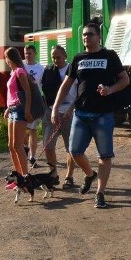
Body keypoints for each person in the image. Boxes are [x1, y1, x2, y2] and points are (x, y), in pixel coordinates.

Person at [52, 22, 129, 209]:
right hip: (81, 113)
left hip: (103, 115)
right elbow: (66, 85)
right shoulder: (79, 58)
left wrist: (110, 89)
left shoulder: (109, 56)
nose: (86, 37)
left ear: (99, 37)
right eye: (84, 34)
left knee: (105, 154)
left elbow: (125, 80)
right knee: (74, 151)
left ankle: (100, 193)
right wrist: (55, 107)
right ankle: (89, 174)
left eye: (90, 34)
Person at [40, 45, 77, 188]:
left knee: (71, 148)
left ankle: (69, 177)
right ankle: (53, 174)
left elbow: (80, 92)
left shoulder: (73, 71)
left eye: (58, 57)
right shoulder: (47, 71)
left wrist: (71, 109)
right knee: (48, 146)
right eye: (53, 57)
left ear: (65, 56)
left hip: (70, 113)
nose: (56, 60)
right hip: (51, 112)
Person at [3, 47, 32, 189]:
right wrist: (8, 108)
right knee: (11, 146)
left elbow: (27, 92)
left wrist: (27, 111)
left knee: (18, 145)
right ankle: (18, 177)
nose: (5, 61)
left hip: (20, 110)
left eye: (6, 58)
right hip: (12, 109)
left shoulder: (20, 71)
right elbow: (13, 93)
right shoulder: (12, 72)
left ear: (11, 58)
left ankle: (25, 178)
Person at [23, 44, 45, 168]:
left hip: (35, 100)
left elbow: (42, 85)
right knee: (23, 128)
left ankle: (32, 156)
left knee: (32, 129)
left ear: (34, 53)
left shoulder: (40, 68)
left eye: (29, 53)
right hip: (23, 100)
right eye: (26, 53)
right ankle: (25, 149)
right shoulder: (21, 65)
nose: (27, 55)